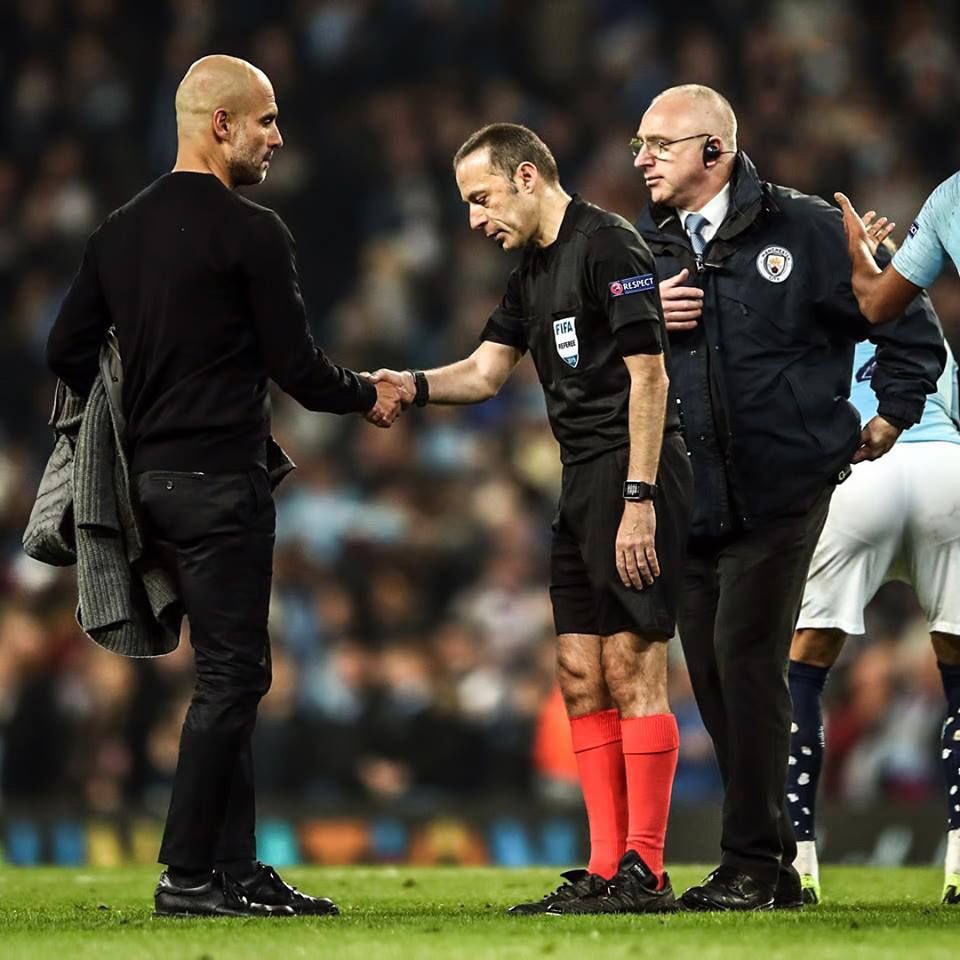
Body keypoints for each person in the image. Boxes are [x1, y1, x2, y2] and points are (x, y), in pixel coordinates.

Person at [45, 54, 402, 917]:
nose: (278, 137)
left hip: (150, 486)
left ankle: (237, 871)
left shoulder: (116, 233)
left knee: (224, 677)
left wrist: (141, 387)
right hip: (221, 486)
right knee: (235, 679)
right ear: (220, 125)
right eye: (266, 120)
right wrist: (372, 392)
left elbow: (64, 350)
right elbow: (299, 370)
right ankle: (188, 874)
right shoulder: (253, 231)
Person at [632, 84, 945, 911]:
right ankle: (770, 866)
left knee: (745, 659)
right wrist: (641, 316)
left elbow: (909, 330)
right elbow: (599, 356)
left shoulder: (804, 229)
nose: (641, 159)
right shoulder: (646, 253)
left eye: (657, 145)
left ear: (713, 151)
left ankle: (751, 863)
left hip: (782, 491)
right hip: (689, 499)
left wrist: (891, 418)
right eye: (639, 145)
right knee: (709, 676)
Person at [370, 122, 692, 915]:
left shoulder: (609, 245)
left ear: (524, 176)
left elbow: (650, 380)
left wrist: (641, 499)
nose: (475, 219)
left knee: (632, 669)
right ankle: (603, 861)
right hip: (580, 481)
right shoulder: (531, 272)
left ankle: (645, 871)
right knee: (580, 675)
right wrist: (406, 385)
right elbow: (484, 374)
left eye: (480, 199)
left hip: (632, 471)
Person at [788, 217, 960, 906]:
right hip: (948, 470)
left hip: (861, 472)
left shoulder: (817, 320)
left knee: (802, 669)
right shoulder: (929, 337)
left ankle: (796, 862)